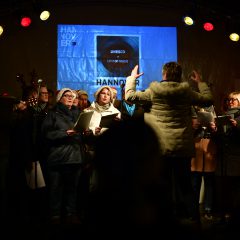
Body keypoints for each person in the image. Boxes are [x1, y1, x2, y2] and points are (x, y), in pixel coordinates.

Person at [125, 62, 213, 224]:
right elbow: (208, 100)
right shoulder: (187, 93)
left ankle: (162, 223)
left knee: (160, 184)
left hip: (159, 147)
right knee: (185, 186)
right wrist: (200, 82)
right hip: (181, 147)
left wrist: (132, 78)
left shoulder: (153, 92)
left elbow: (129, 97)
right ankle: (194, 221)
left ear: (163, 74)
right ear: (179, 75)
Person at [41, 88, 85, 225]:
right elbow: (47, 134)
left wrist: (87, 133)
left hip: (75, 157)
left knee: (72, 189)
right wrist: (65, 133)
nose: (71, 98)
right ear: (60, 98)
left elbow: (81, 135)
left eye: (72, 96)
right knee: (56, 189)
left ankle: (70, 214)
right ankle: (55, 216)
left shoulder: (79, 114)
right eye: (67, 96)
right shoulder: (53, 114)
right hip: (58, 158)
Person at [216, 91, 240, 223]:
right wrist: (214, 130)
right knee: (223, 190)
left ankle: (234, 218)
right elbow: (219, 140)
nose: (230, 103)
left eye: (233, 100)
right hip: (223, 160)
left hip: (236, 160)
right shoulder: (223, 116)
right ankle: (223, 215)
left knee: (235, 192)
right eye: (229, 100)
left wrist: (237, 126)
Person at [191, 104, 218, 220]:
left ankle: (208, 210)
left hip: (209, 145)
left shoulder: (211, 107)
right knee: (194, 182)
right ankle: (193, 211)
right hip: (195, 144)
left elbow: (216, 129)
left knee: (209, 181)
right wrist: (194, 126)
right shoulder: (191, 107)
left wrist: (214, 128)